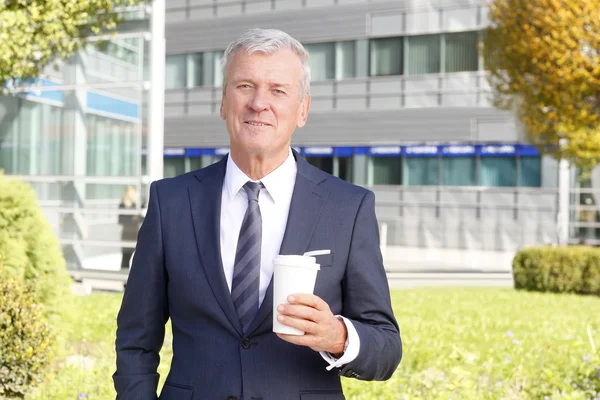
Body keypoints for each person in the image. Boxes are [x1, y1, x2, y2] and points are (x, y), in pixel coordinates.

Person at [114, 28, 401, 400]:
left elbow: (387, 348)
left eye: (278, 90)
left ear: (302, 110)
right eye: (244, 86)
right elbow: (136, 339)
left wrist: (338, 336)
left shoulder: (348, 207)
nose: (258, 103)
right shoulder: (170, 201)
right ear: (223, 102)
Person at [118, 186, 141, 269]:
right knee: (126, 257)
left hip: (135, 234)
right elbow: (121, 220)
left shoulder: (135, 205)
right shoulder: (122, 205)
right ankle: (124, 279)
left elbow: (140, 218)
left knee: (138, 258)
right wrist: (133, 218)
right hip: (127, 234)